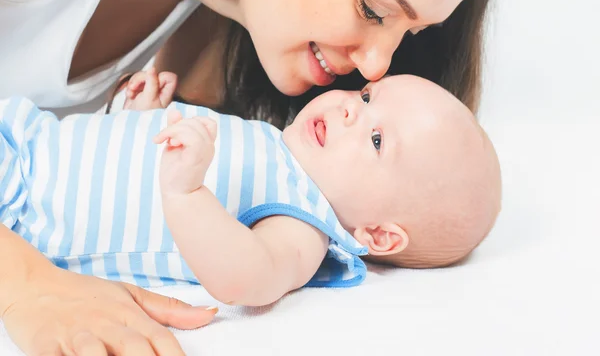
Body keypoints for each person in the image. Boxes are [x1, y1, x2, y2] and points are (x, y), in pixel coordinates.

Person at [0, 0, 500, 356]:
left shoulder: (239, 26)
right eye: (371, 8)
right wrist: (25, 286)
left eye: (407, 33)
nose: (374, 69)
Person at [1, 71, 501, 308]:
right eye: (367, 95)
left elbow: (249, 280)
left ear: (379, 235)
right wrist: (135, 123)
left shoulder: (302, 225)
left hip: (27, 210)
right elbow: (122, 173)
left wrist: (185, 191)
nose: (351, 108)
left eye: (375, 139)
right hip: (30, 136)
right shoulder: (275, 144)